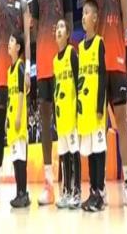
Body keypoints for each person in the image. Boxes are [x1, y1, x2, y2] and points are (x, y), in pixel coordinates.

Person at [85, 0, 127, 206]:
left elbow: (126, 14)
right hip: (97, 62)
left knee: (122, 125)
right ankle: (100, 186)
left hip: (116, 58)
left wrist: (121, 47)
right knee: (99, 126)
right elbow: (88, 19)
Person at [31, 0, 73, 205]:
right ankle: (49, 183)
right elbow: (34, 26)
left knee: (65, 117)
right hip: (44, 62)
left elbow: (69, 20)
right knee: (45, 119)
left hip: (61, 61)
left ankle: (69, 182)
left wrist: (64, 50)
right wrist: (42, 46)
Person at [0, 0, 31, 205]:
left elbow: (27, 38)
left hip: (17, 73)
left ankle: (21, 189)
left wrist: (29, 69)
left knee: (18, 129)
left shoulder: (23, 3)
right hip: (2, 72)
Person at [78, 0, 106, 212]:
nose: (83, 16)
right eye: (83, 13)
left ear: (95, 18)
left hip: (96, 110)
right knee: (89, 153)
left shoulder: (99, 43)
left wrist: (99, 105)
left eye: (87, 13)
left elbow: (103, 76)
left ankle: (100, 193)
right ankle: (92, 191)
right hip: (84, 110)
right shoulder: (80, 47)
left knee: (98, 152)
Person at [53, 19, 81, 209]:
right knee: (64, 156)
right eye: (57, 27)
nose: (59, 30)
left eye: (62, 27)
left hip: (72, 114)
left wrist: (78, 109)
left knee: (74, 153)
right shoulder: (55, 60)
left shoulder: (72, 53)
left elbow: (78, 81)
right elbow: (56, 89)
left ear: (68, 34)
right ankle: (66, 191)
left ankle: (76, 191)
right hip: (60, 116)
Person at [6, 32, 30, 208]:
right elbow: (10, 97)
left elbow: (22, 92)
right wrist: (8, 119)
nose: (9, 43)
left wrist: (18, 116)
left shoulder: (21, 66)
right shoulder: (9, 70)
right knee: (15, 158)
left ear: (18, 47)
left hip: (19, 120)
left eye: (12, 41)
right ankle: (18, 192)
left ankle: (23, 193)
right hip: (12, 119)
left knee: (21, 158)